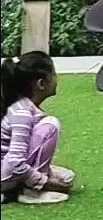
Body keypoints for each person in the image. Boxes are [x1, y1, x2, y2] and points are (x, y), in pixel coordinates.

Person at [1, 52, 76, 205]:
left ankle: (19, 187)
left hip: (7, 168)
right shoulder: (22, 113)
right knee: (50, 125)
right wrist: (45, 182)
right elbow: (15, 164)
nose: (57, 79)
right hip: (6, 174)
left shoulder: (22, 106)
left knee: (67, 176)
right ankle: (32, 191)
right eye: (53, 74)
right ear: (41, 84)